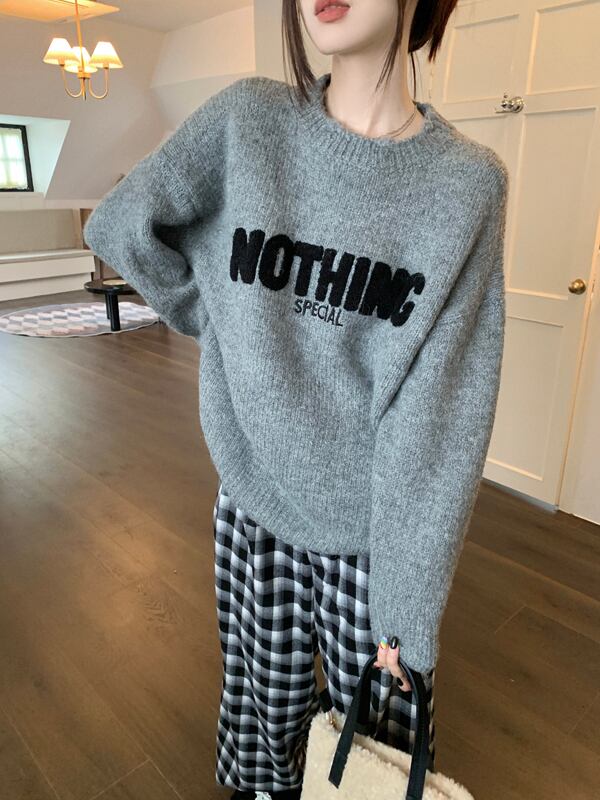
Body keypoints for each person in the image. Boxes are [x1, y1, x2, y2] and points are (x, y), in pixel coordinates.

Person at [83, 1, 509, 798]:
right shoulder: (248, 123)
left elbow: (441, 418)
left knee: (374, 746)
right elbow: (124, 224)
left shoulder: (466, 186)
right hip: (253, 506)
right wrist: (216, 317)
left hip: (372, 534)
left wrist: (407, 613)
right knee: (265, 721)